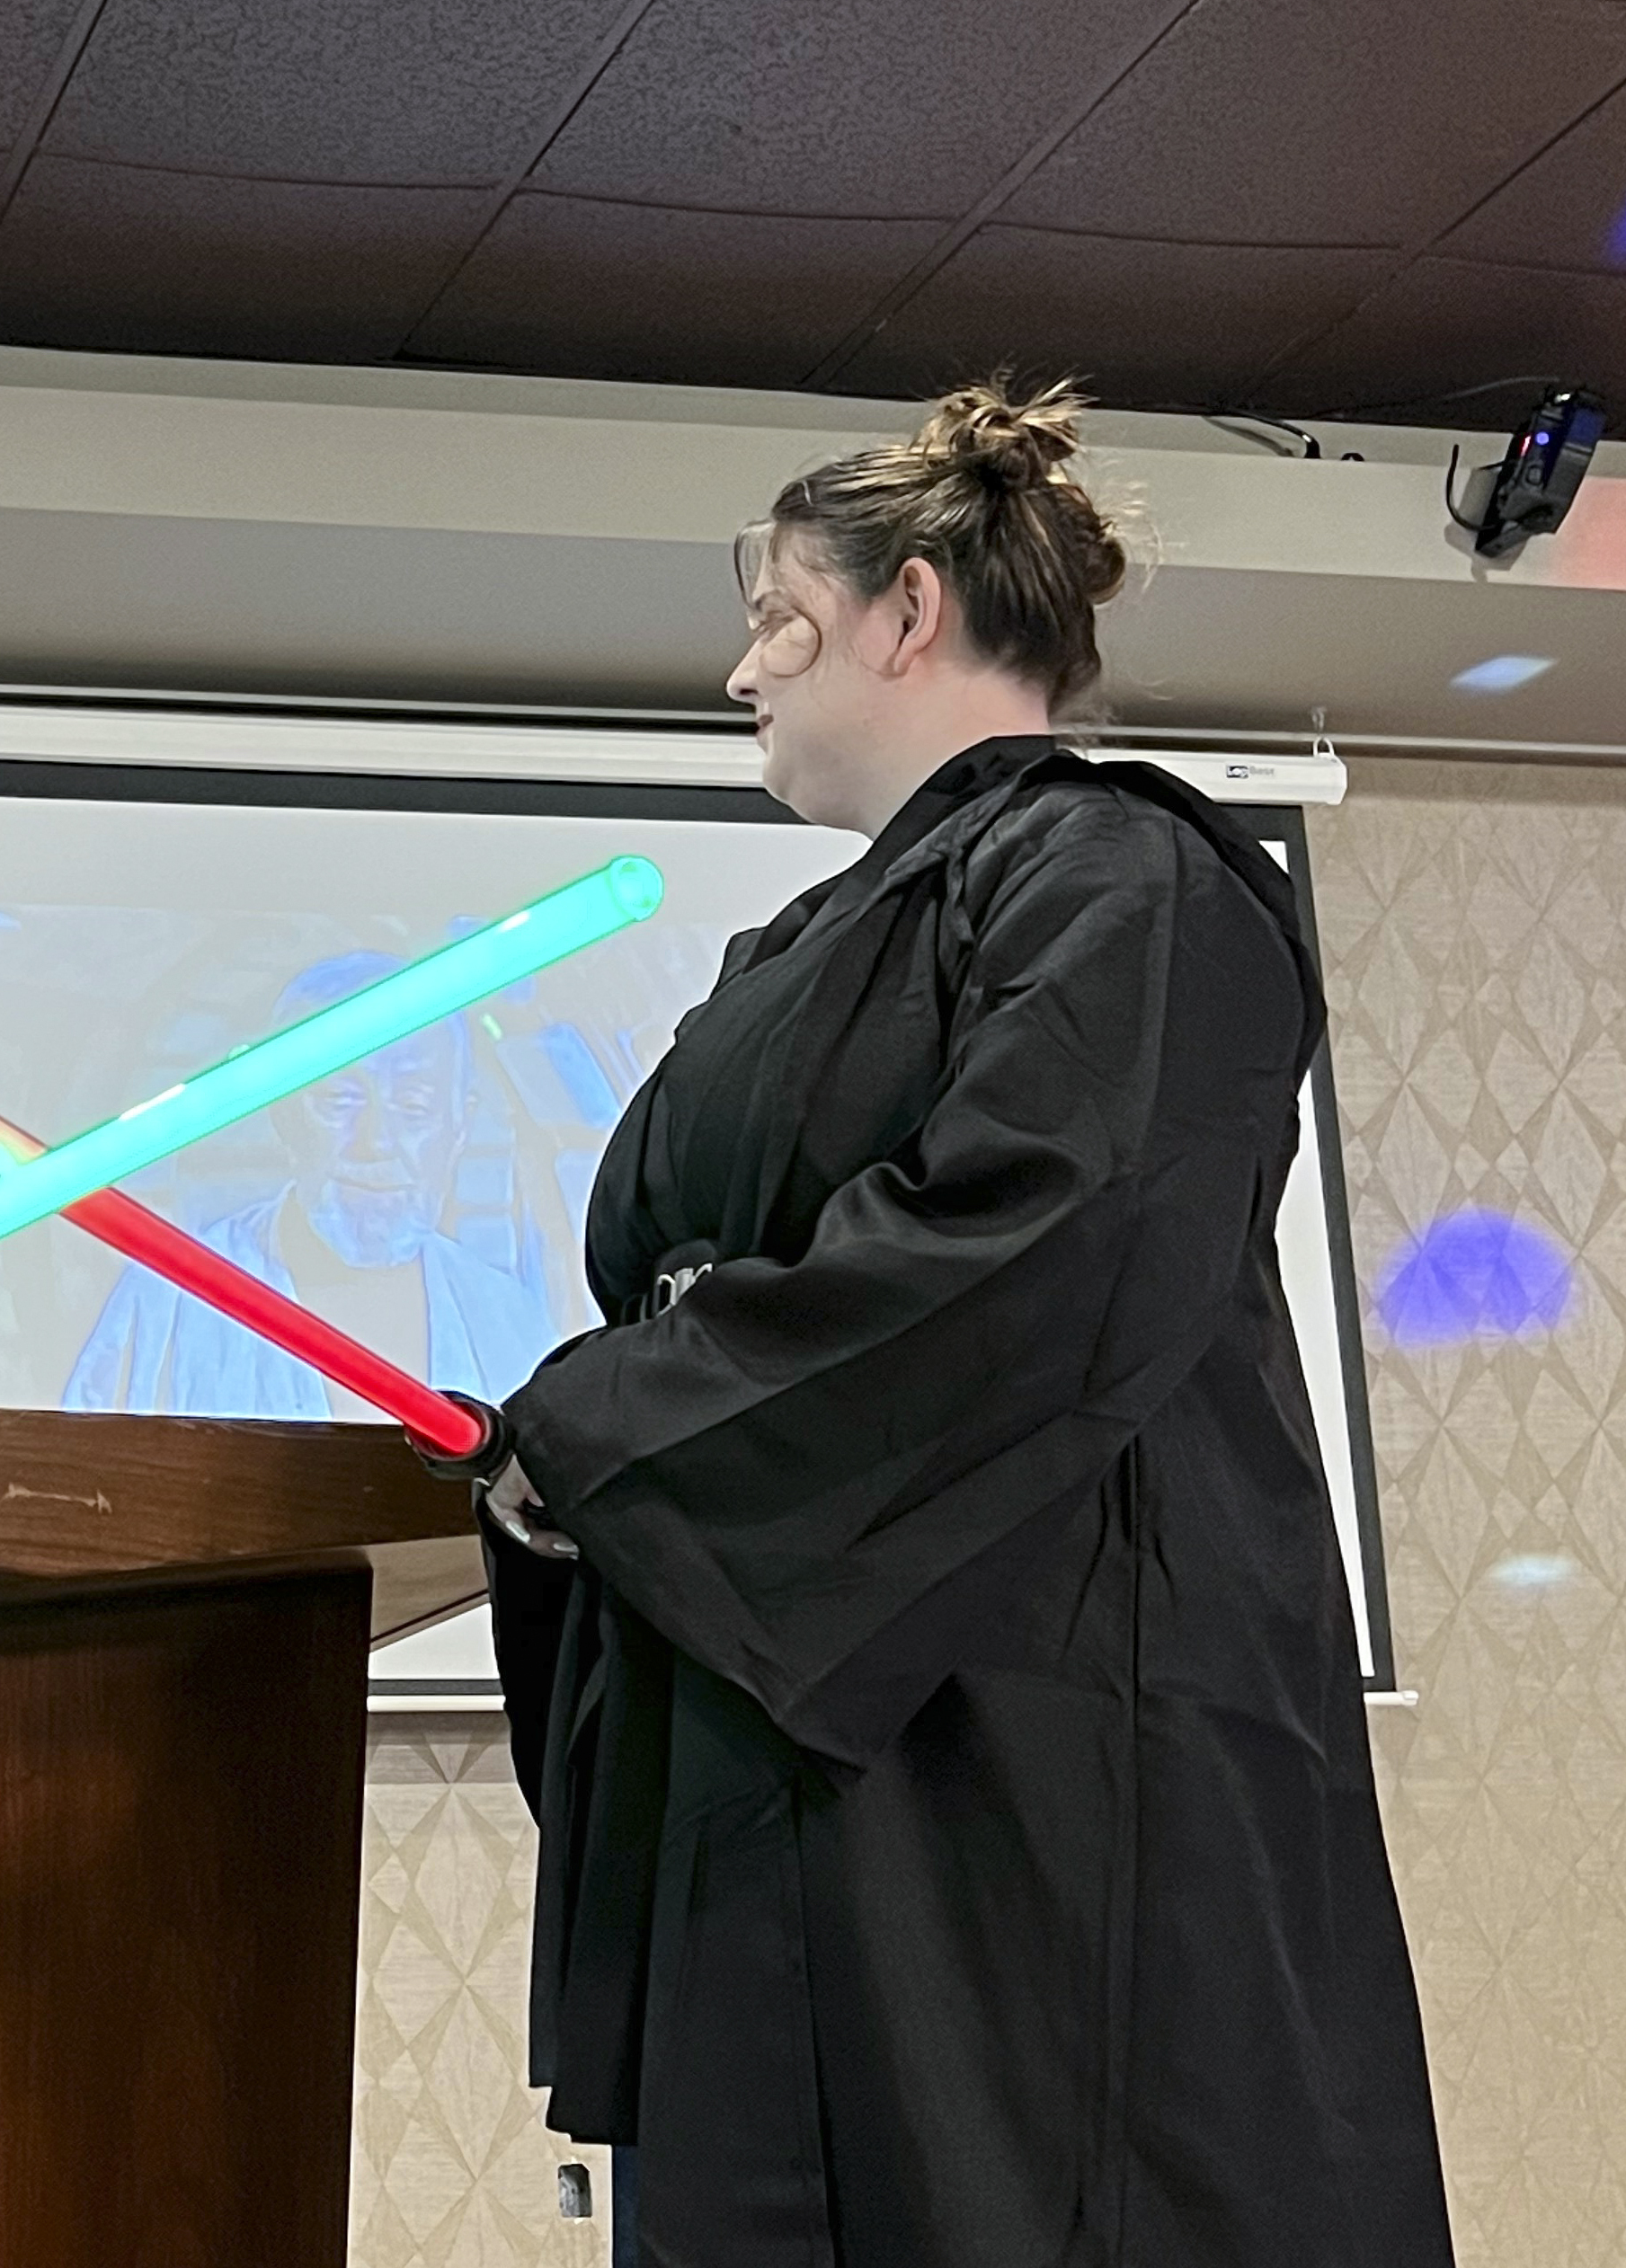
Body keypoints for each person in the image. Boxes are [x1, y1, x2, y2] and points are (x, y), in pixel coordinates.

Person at [442, 381, 1452, 2265]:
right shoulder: (803, 947)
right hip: (783, 1734)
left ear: (911, 612)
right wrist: (580, 1442)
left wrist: (609, 1432)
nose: (740, 672)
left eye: (780, 620)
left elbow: (1037, 1244)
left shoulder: (1123, 878)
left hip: (1012, 1747)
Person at [67, 952, 554, 1418]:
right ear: (283, 1111)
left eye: (414, 1106)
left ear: (460, 1126)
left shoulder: (511, 1323)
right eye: (340, 1099)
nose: (376, 1141)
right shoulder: (166, 1302)